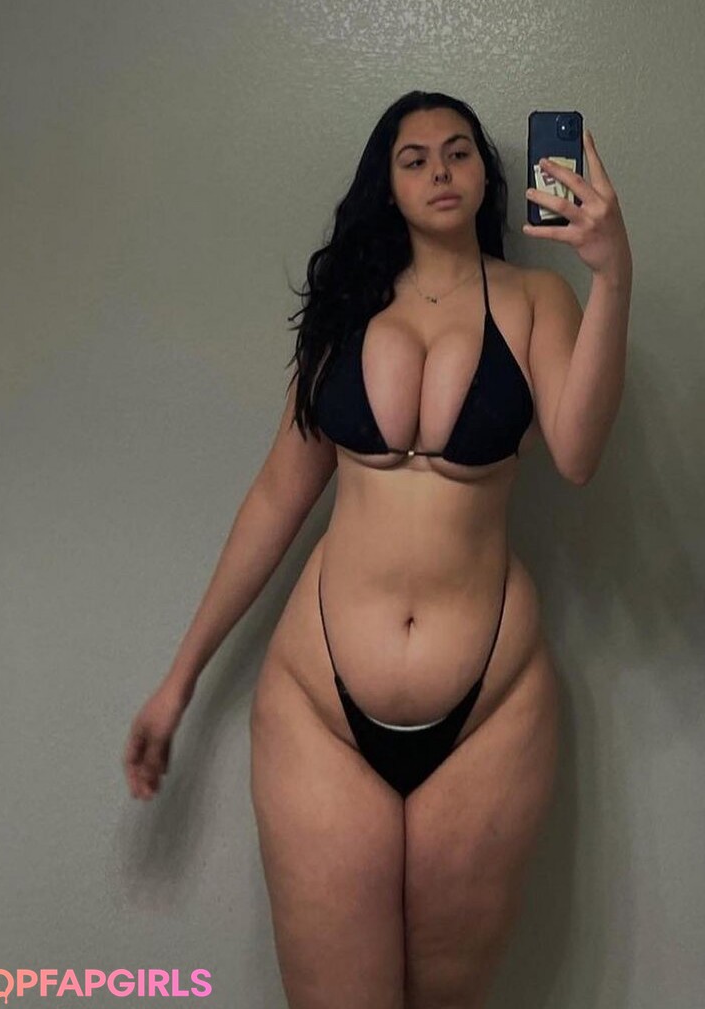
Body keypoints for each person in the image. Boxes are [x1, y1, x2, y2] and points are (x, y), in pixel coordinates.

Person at [123, 90, 632, 1009]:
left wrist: (615, 276)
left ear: (486, 173)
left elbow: (579, 454)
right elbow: (278, 495)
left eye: (459, 152)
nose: (440, 170)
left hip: (491, 711)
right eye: (414, 158)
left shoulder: (536, 301)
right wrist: (179, 679)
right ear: (387, 184)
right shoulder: (346, 309)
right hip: (319, 707)